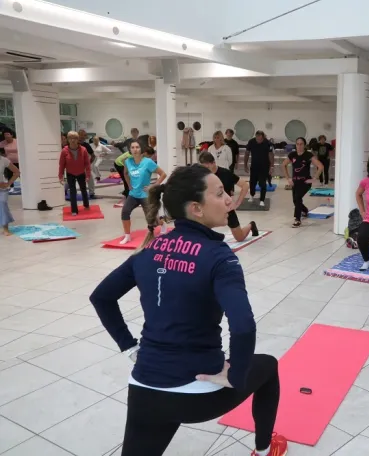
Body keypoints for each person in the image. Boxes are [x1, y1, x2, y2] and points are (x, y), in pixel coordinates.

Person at [88, 165, 287, 456]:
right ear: (196, 208)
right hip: (196, 394)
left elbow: (101, 297)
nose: (229, 199)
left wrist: (129, 346)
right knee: (268, 367)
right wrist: (237, 374)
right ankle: (266, 447)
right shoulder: (219, 256)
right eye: (220, 194)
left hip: (143, 389)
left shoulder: (149, 248)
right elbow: (243, 325)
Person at [198, 151, 259, 241]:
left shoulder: (226, 173)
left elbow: (245, 186)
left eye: (207, 167)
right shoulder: (202, 176)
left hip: (226, 208)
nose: (206, 170)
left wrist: (237, 203)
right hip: (210, 208)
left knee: (239, 237)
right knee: (201, 232)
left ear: (213, 163)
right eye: (203, 168)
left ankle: (251, 225)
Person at [120, 144, 167, 245]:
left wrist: (153, 186)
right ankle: (127, 236)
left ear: (141, 150)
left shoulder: (148, 162)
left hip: (145, 195)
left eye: (137, 147)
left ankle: (162, 224)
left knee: (152, 219)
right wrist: (129, 185)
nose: (135, 149)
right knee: (125, 212)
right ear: (130, 150)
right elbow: (125, 173)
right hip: (133, 194)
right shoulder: (128, 162)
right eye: (132, 147)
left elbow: (163, 174)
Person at [282, 137, 324, 228]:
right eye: (298, 144)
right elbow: (284, 164)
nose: (299, 146)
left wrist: (313, 179)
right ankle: (304, 210)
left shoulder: (308, 155)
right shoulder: (292, 155)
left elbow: (320, 166)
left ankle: (297, 219)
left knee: (297, 197)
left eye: (301, 144)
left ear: (304, 145)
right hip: (295, 182)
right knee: (295, 201)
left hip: (305, 182)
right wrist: (288, 178)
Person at [59, 131, 91, 216]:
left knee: (83, 189)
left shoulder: (83, 150)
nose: (72, 140)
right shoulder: (64, 151)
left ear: (78, 140)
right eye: (70, 138)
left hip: (81, 173)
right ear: (68, 139)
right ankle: (74, 210)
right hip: (70, 173)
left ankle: (86, 204)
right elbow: (61, 164)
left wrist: (88, 175)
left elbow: (87, 163)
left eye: (75, 138)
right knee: (72, 192)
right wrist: (60, 176)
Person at [244, 131, 274, 207]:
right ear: (255, 137)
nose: (258, 140)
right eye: (257, 139)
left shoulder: (268, 143)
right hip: (254, 166)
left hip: (264, 167)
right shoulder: (251, 142)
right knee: (252, 182)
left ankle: (262, 200)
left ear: (263, 137)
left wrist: (272, 166)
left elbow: (271, 154)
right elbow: (247, 153)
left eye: (260, 139)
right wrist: (245, 164)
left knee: (262, 183)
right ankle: (251, 195)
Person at [0, 154, 19, 235]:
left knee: (3, 203)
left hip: (2, 188)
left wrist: (8, 183)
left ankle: (5, 228)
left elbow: (17, 172)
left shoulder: (3, 160)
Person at [78, 129, 97, 198]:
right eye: (84, 135)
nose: (85, 136)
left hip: (84, 165)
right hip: (74, 165)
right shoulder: (73, 144)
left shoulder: (86, 145)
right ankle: (64, 190)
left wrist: (89, 163)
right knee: (71, 179)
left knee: (90, 178)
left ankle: (91, 193)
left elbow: (93, 155)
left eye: (85, 135)